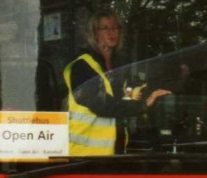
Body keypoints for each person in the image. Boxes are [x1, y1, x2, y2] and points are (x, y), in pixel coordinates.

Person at [63, 10, 170, 155]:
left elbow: (128, 99)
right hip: (83, 158)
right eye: (104, 28)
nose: (111, 32)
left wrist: (146, 95)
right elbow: (103, 105)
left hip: (114, 153)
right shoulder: (82, 66)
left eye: (115, 28)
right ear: (94, 34)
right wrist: (144, 104)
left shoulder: (119, 66)